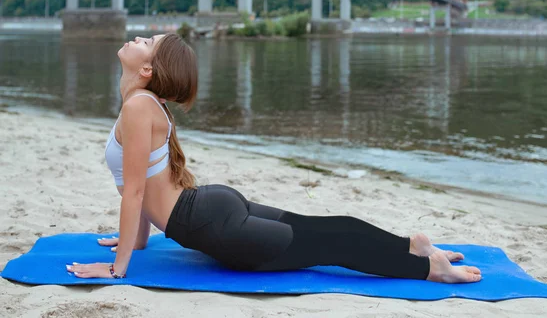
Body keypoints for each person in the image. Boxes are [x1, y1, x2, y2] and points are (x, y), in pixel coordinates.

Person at [65, 34, 481, 284]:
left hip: (213, 222)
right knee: (327, 230)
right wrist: (136, 242)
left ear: (147, 70)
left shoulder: (139, 108)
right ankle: (413, 245)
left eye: (146, 43)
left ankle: (428, 269)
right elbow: (139, 184)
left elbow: (135, 190)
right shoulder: (143, 105)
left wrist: (117, 269)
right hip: (211, 209)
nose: (136, 40)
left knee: (332, 243)